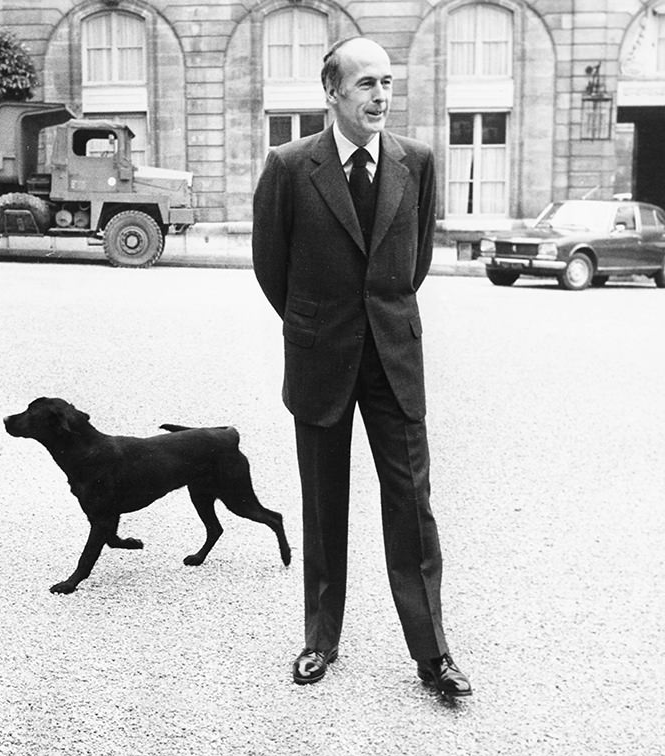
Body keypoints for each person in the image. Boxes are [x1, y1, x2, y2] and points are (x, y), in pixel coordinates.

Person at [251, 36, 471, 697]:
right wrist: (317, 325)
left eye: (387, 84)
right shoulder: (290, 167)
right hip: (321, 359)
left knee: (412, 505)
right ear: (332, 94)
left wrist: (382, 319)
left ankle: (433, 655)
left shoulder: (418, 162)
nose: (381, 96)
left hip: (394, 360)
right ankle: (321, 640)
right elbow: (271, 268)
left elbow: (416, 262)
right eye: (366, 84)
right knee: (323, 506)